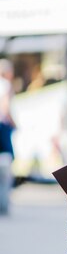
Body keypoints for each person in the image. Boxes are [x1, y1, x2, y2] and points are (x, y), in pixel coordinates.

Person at [0, 59, 16, 215]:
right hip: (2, 128)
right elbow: (5, 107)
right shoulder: (5, 85)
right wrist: (14, 123)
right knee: (6, 164)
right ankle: (3, 203)